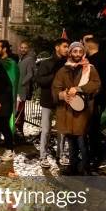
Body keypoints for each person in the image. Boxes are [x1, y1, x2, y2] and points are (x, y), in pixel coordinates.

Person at [52, 41, 101, 175]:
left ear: (83, 53)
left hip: (83, 112)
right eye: (75, 51)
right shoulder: (63, 70)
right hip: (67, 111)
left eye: (80, 51)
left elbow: (96, 84)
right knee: (71, 141)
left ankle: (85, 168)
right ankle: (73, 166)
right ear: (70, 53)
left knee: (82, 141)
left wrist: (79, 89)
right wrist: (62, 95)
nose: (78, 54)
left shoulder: (89, 68)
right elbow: (56, 87)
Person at [35, 38, 69, 168]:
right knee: (46, 130)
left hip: (62, 101)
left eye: (67, 47)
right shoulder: (46, 63)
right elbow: (39, 81)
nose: (67, 49)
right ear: (57, 47)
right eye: (65, 46)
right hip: (48, 100)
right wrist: (54, 76)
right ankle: (43, 156)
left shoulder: (68, 64)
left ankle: (60, 155)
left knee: (62, 129)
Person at [83, 35, 106, 167]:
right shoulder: (98, 58)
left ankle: (97, 155)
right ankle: (92, 153)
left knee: (94, 128)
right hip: (90, 98)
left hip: (97, 98)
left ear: (89, 46)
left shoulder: (101, 59)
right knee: (90, 127)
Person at [16, 41, 36, 137]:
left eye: (25, 47)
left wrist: (22, 83)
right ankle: (16, 130)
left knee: (20, 111)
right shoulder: (20, 58)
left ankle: (20, 131)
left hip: (23, 89)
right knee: (17, 109)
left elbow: (30, 74)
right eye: (22, 47)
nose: (23, 49)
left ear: (28, 49)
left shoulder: (30, 59)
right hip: (17, 89)